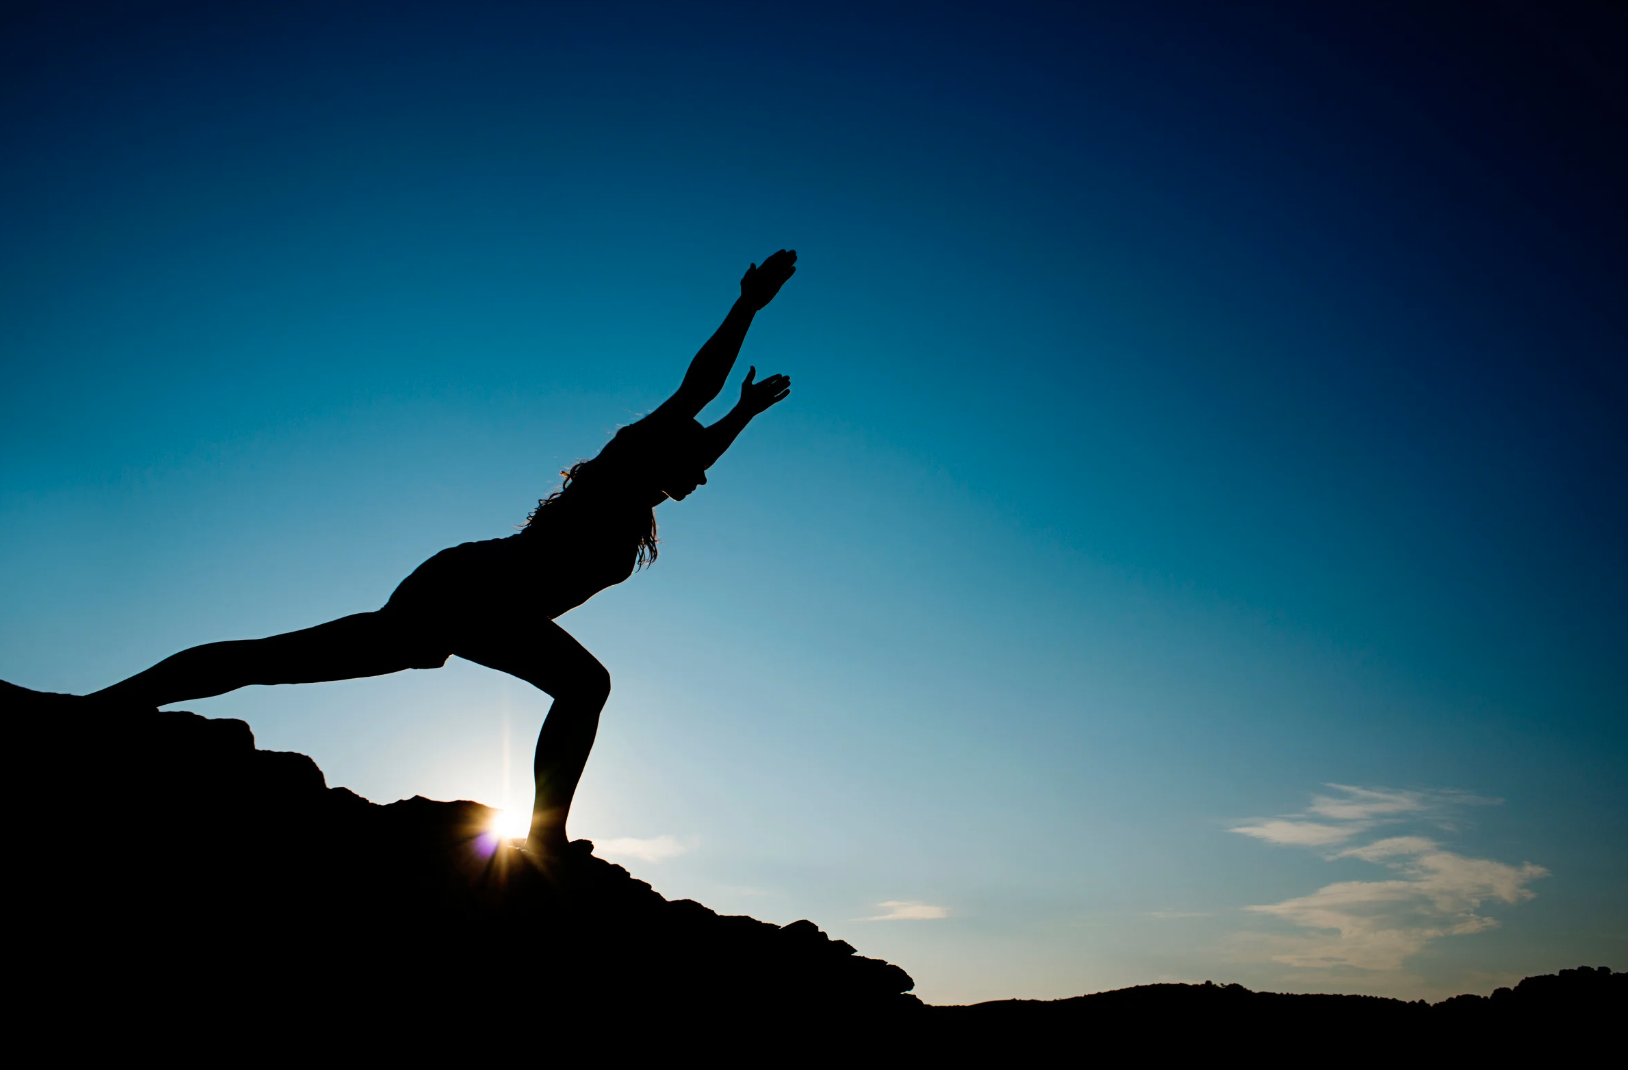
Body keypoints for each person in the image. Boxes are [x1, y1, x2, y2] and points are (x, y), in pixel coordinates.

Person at [91, 249, 799, 857]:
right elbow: (697, 389)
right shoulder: (627, 464)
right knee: (582, 685)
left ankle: (108, 706)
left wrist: (743, 414)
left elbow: (700, 443)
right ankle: (546, 839)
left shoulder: (643, 490)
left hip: (473, 594)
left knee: (284, 660)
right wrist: (747, 308)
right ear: (663, 453)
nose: (703, 471)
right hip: (474, 590)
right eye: (696, 458)